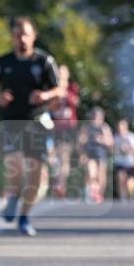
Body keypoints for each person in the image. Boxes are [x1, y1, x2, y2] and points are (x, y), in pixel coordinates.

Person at [0, 17, 61, 236]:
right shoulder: (3, 62)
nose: (22, 39)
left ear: (33, 35)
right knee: (15, 166)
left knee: (35, 174)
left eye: (25, 34)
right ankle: (13, 197)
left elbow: (59, 89)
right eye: (18, 35)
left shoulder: (44, 61)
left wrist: (44, 95)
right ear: (12, 37)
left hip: (36, 122)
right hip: (12, 122)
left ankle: (24, 216)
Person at [50, 64, 80, 199]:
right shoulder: (53, 88)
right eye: (59, 72)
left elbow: (76, 102)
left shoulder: (72, 87)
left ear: (67, 74)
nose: (61, 74)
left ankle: (61, 185)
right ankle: (58, 182)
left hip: (69, 127)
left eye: (63, 72)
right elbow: (49, 106)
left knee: (64, 156)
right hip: (56, 127)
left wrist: (66, 95)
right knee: (55, 157)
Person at [78, 106, 114, 203]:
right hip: (89, 154)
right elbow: (80, 142)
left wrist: (101, 139)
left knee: (101, 175)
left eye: (97, 116)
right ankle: (91, 193)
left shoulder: (104, 127)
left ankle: (99, 194)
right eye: (94, 116)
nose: (95, 118)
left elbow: (110, 142)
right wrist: (82, 153)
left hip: (101, 154)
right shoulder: (86, 127)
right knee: (91, 174)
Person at [113, 118, 134, 202]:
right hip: (119, 161)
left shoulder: (131, 136)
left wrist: (127, 148)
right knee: (120, 179)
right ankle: (122, 197)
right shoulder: (116, 137)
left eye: (122, 126)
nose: (120, 128)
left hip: (130, 162)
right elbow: (112, 149)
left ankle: (131, 196)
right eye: (119, 126)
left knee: (130, 182)